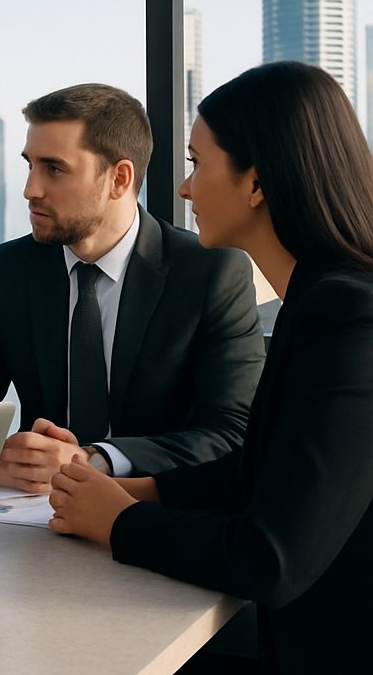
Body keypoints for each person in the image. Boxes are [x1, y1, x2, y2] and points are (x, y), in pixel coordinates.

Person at [48, 62, 373, 673]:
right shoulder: (319, 300)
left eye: (198, 163)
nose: (184, 190)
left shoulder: (350, 319)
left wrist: (123, 522)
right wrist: (141, 488)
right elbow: (265, 471)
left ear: (257, 183)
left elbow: (271, 558)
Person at [0, 83, 265, 492]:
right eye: (29, 165)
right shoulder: (9, 269)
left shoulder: (210, 273)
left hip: (155, 517)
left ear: (119, 178)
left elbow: (231, 434)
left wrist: (95, 460)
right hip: (31, 522)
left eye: (54, 168)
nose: (30, 189)